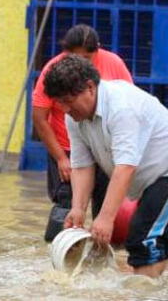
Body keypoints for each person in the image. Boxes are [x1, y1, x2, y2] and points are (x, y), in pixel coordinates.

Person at [44, 55, 168, 278]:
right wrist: (78, 208)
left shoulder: (122, 108)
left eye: (67, 100)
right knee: (153, 243)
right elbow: (81, 165)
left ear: (90, 87)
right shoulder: (74, 117)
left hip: (164, 174)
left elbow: (125, 167)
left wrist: (106, 217)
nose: (64, 108)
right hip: (150, 181)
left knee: (142, 240)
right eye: (58, 102)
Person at [31, 24, 133, 242]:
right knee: (67, 205)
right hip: (66, 147)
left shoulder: (113, 63)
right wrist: (60, 158)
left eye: (88, 57)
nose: (81, 63)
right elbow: (39, 118)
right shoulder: (53, 70)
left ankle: (104, 257)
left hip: (105, 147)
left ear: (98, 50)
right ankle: (57, 250)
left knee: (107, 206)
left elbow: (128, 104)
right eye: (75, 57)